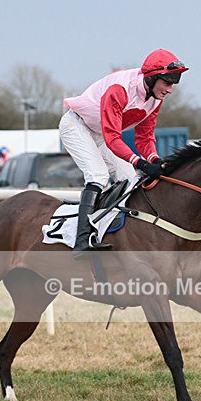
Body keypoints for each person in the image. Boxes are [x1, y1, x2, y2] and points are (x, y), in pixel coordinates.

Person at [59, 49, 188, 255]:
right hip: (77, 126)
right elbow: (113, 138)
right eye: (168, 82)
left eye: (174, 83)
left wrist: (154, 159)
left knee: (130, 180)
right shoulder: (120, 89)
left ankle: (122, 237)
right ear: (153, 77)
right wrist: (140, 162)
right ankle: (82, 239)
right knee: (98, 176)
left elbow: (144, 138)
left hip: (100, 133)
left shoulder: (155, 98)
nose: (170, 89)